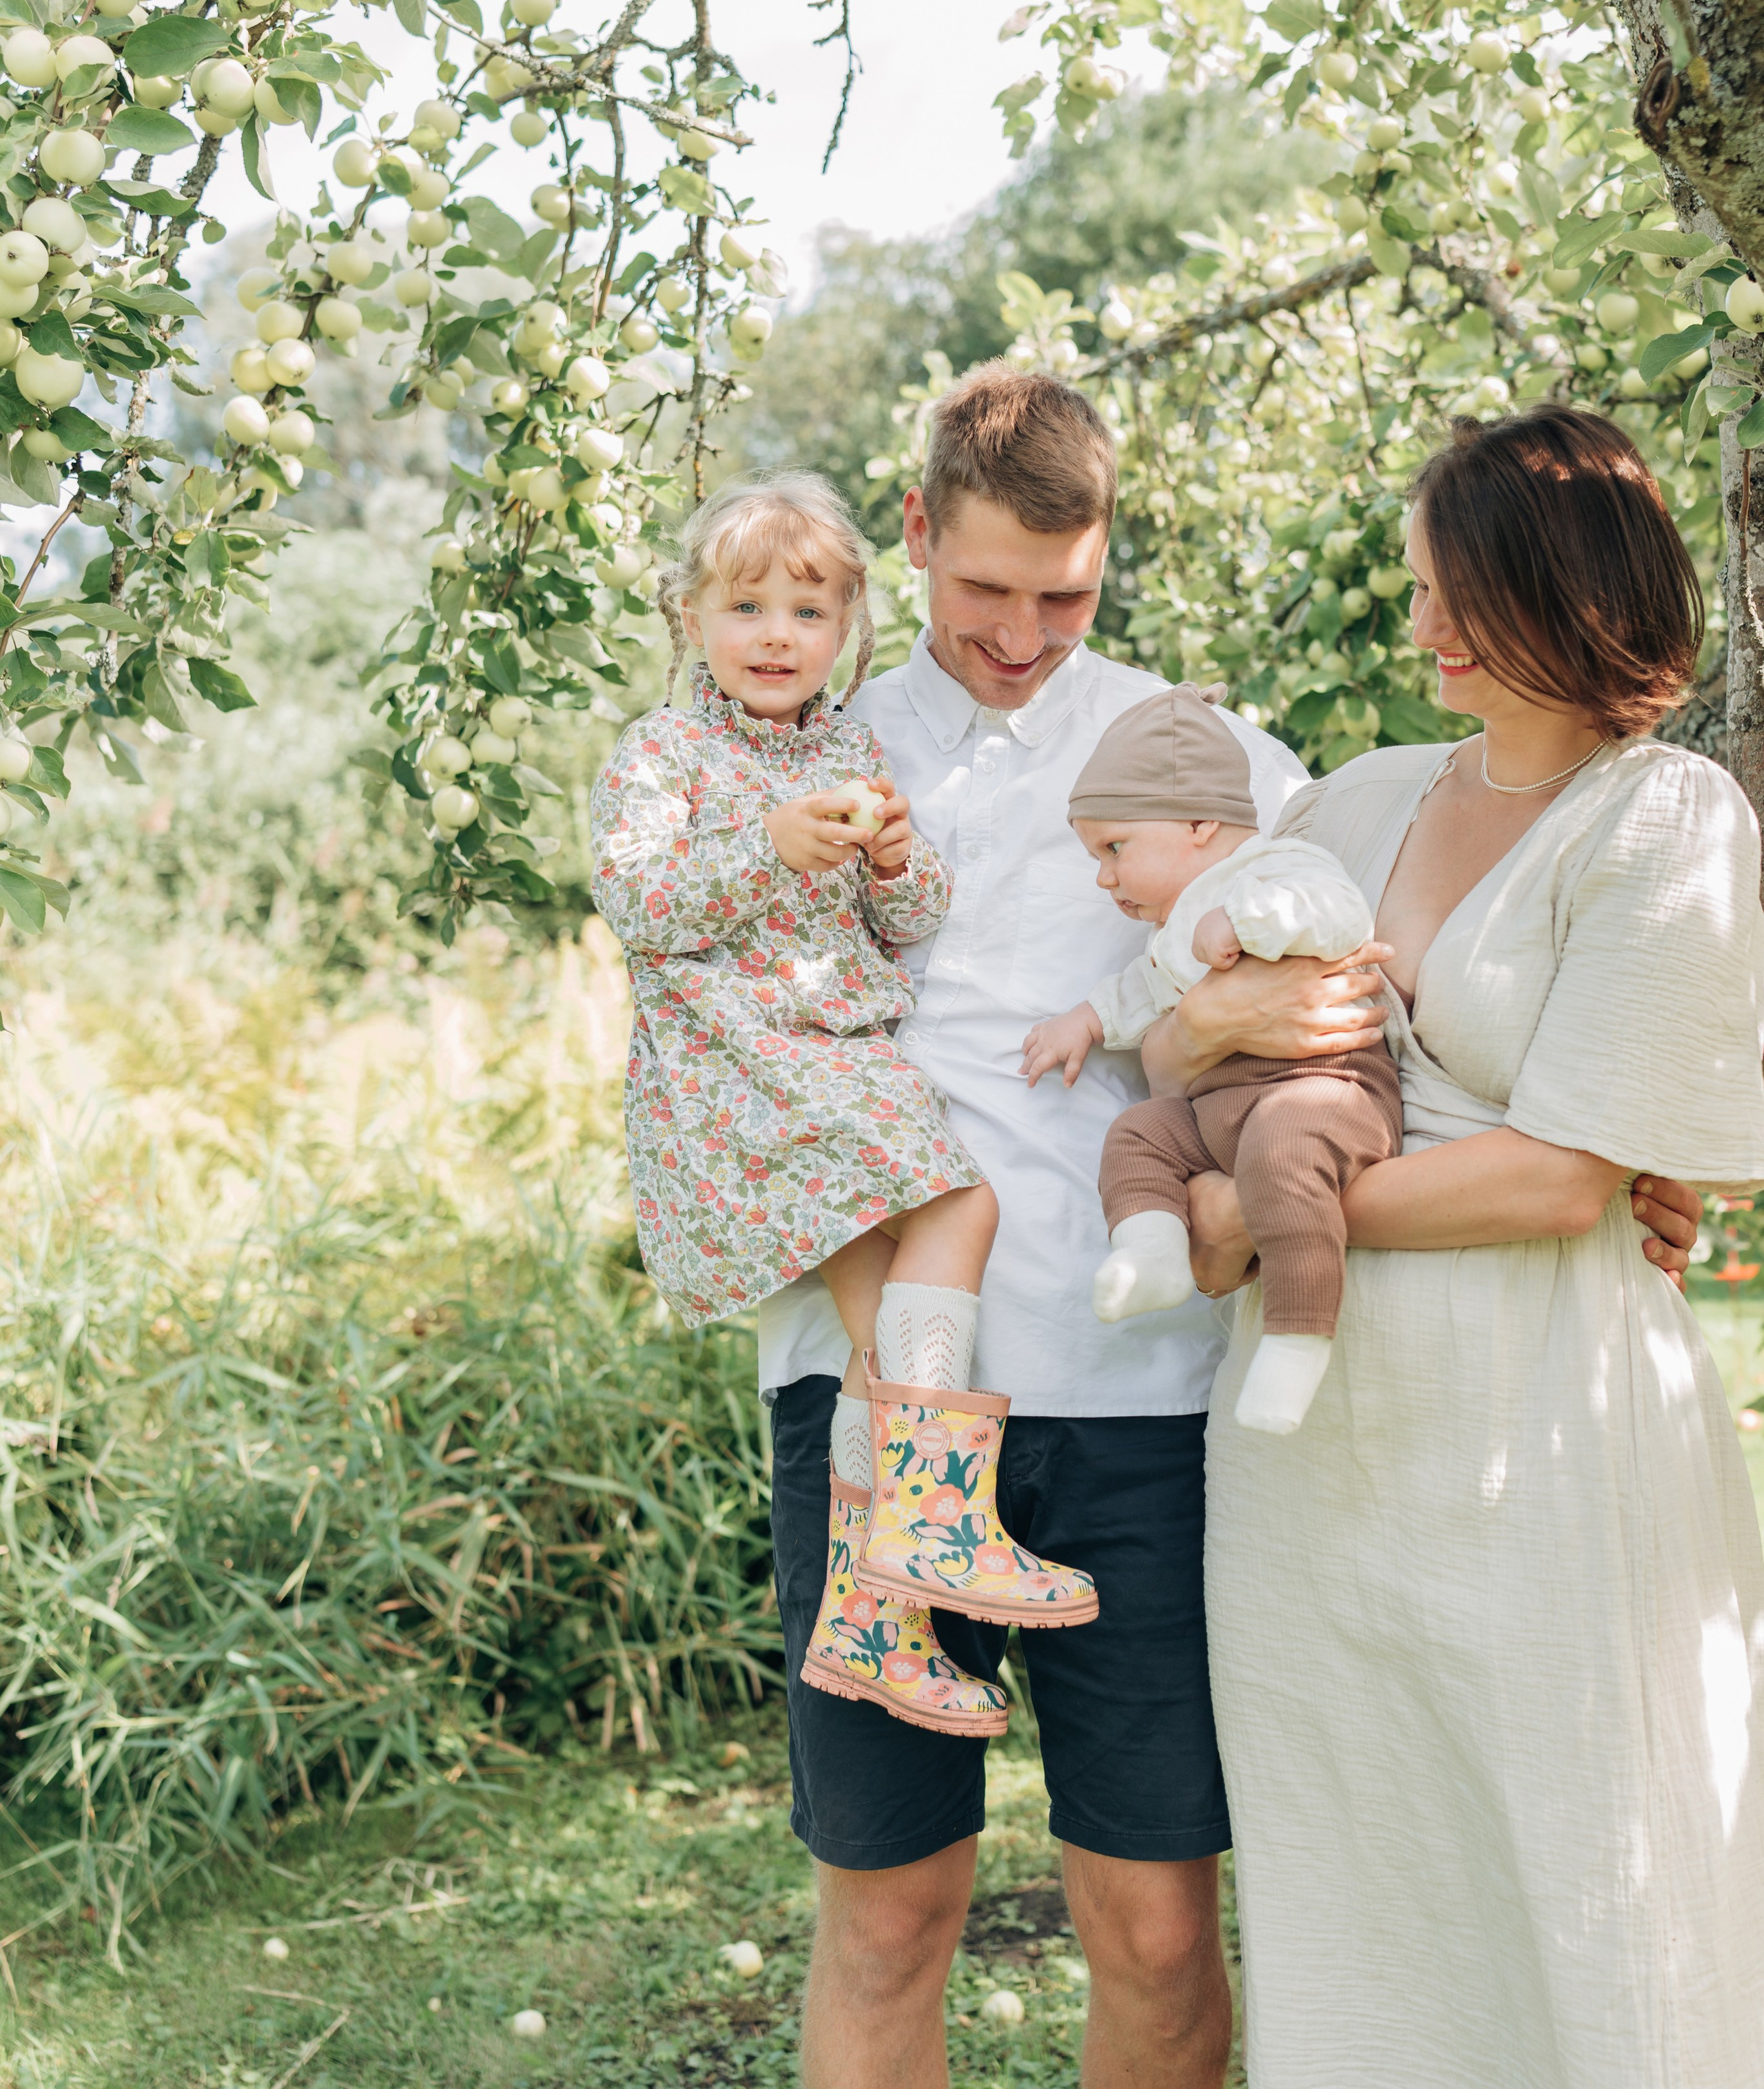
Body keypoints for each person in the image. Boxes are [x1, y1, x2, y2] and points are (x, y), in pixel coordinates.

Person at [764, 367, 1701, 2089]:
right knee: (888, 1915)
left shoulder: (1218, 765)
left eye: (1064, 591)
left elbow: (1380, 1002)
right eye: (983, 592)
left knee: (1153, 1927)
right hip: (874, 1406)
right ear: (911, 538)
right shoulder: (798, 742)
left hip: (1142, 1409)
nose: (1024, 631)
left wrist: (1624, 1155)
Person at [1156, 407, 1764, 2088]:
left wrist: (1240, 1216)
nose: (1414, 627)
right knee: (1355, 1878)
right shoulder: (1351, 804)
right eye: (1413, 587)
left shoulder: (1663, 821)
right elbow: (1179, 1034)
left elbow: (1559, 1177)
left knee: (1586, 1864)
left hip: (1539, 1439)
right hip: (1310, 1468)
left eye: (1449, 593)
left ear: (1554, 591)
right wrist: (1212, 1013)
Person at [588, 471, 1096, 1751]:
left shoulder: (847, 749)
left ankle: (876, 1620)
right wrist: (769, 842)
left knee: (896, 1341)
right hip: (747, 1086)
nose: (775, 635)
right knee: (956, 1216)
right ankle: (926, 1542)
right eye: (745, 606)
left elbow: (906, 920)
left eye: (805, 614)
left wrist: (889, 856)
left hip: (836, 1074)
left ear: (849, 628)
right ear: (690, 616)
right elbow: (641, 904)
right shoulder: (664, 752)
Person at [1021, 681, 1401, 1433]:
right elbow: (1142, 989)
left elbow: (1337, 913)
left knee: (1283, 1152)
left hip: (1323, 1090)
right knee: (1138, 1135)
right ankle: (1152, 1249)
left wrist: (1249, 920)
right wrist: (1085, 1020)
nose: (1103, 876)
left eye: (1113, 849)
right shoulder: (1173, 928)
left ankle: (1298, 1336)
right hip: (1219, 1109)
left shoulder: (1275, 867)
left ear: (1198, 822)